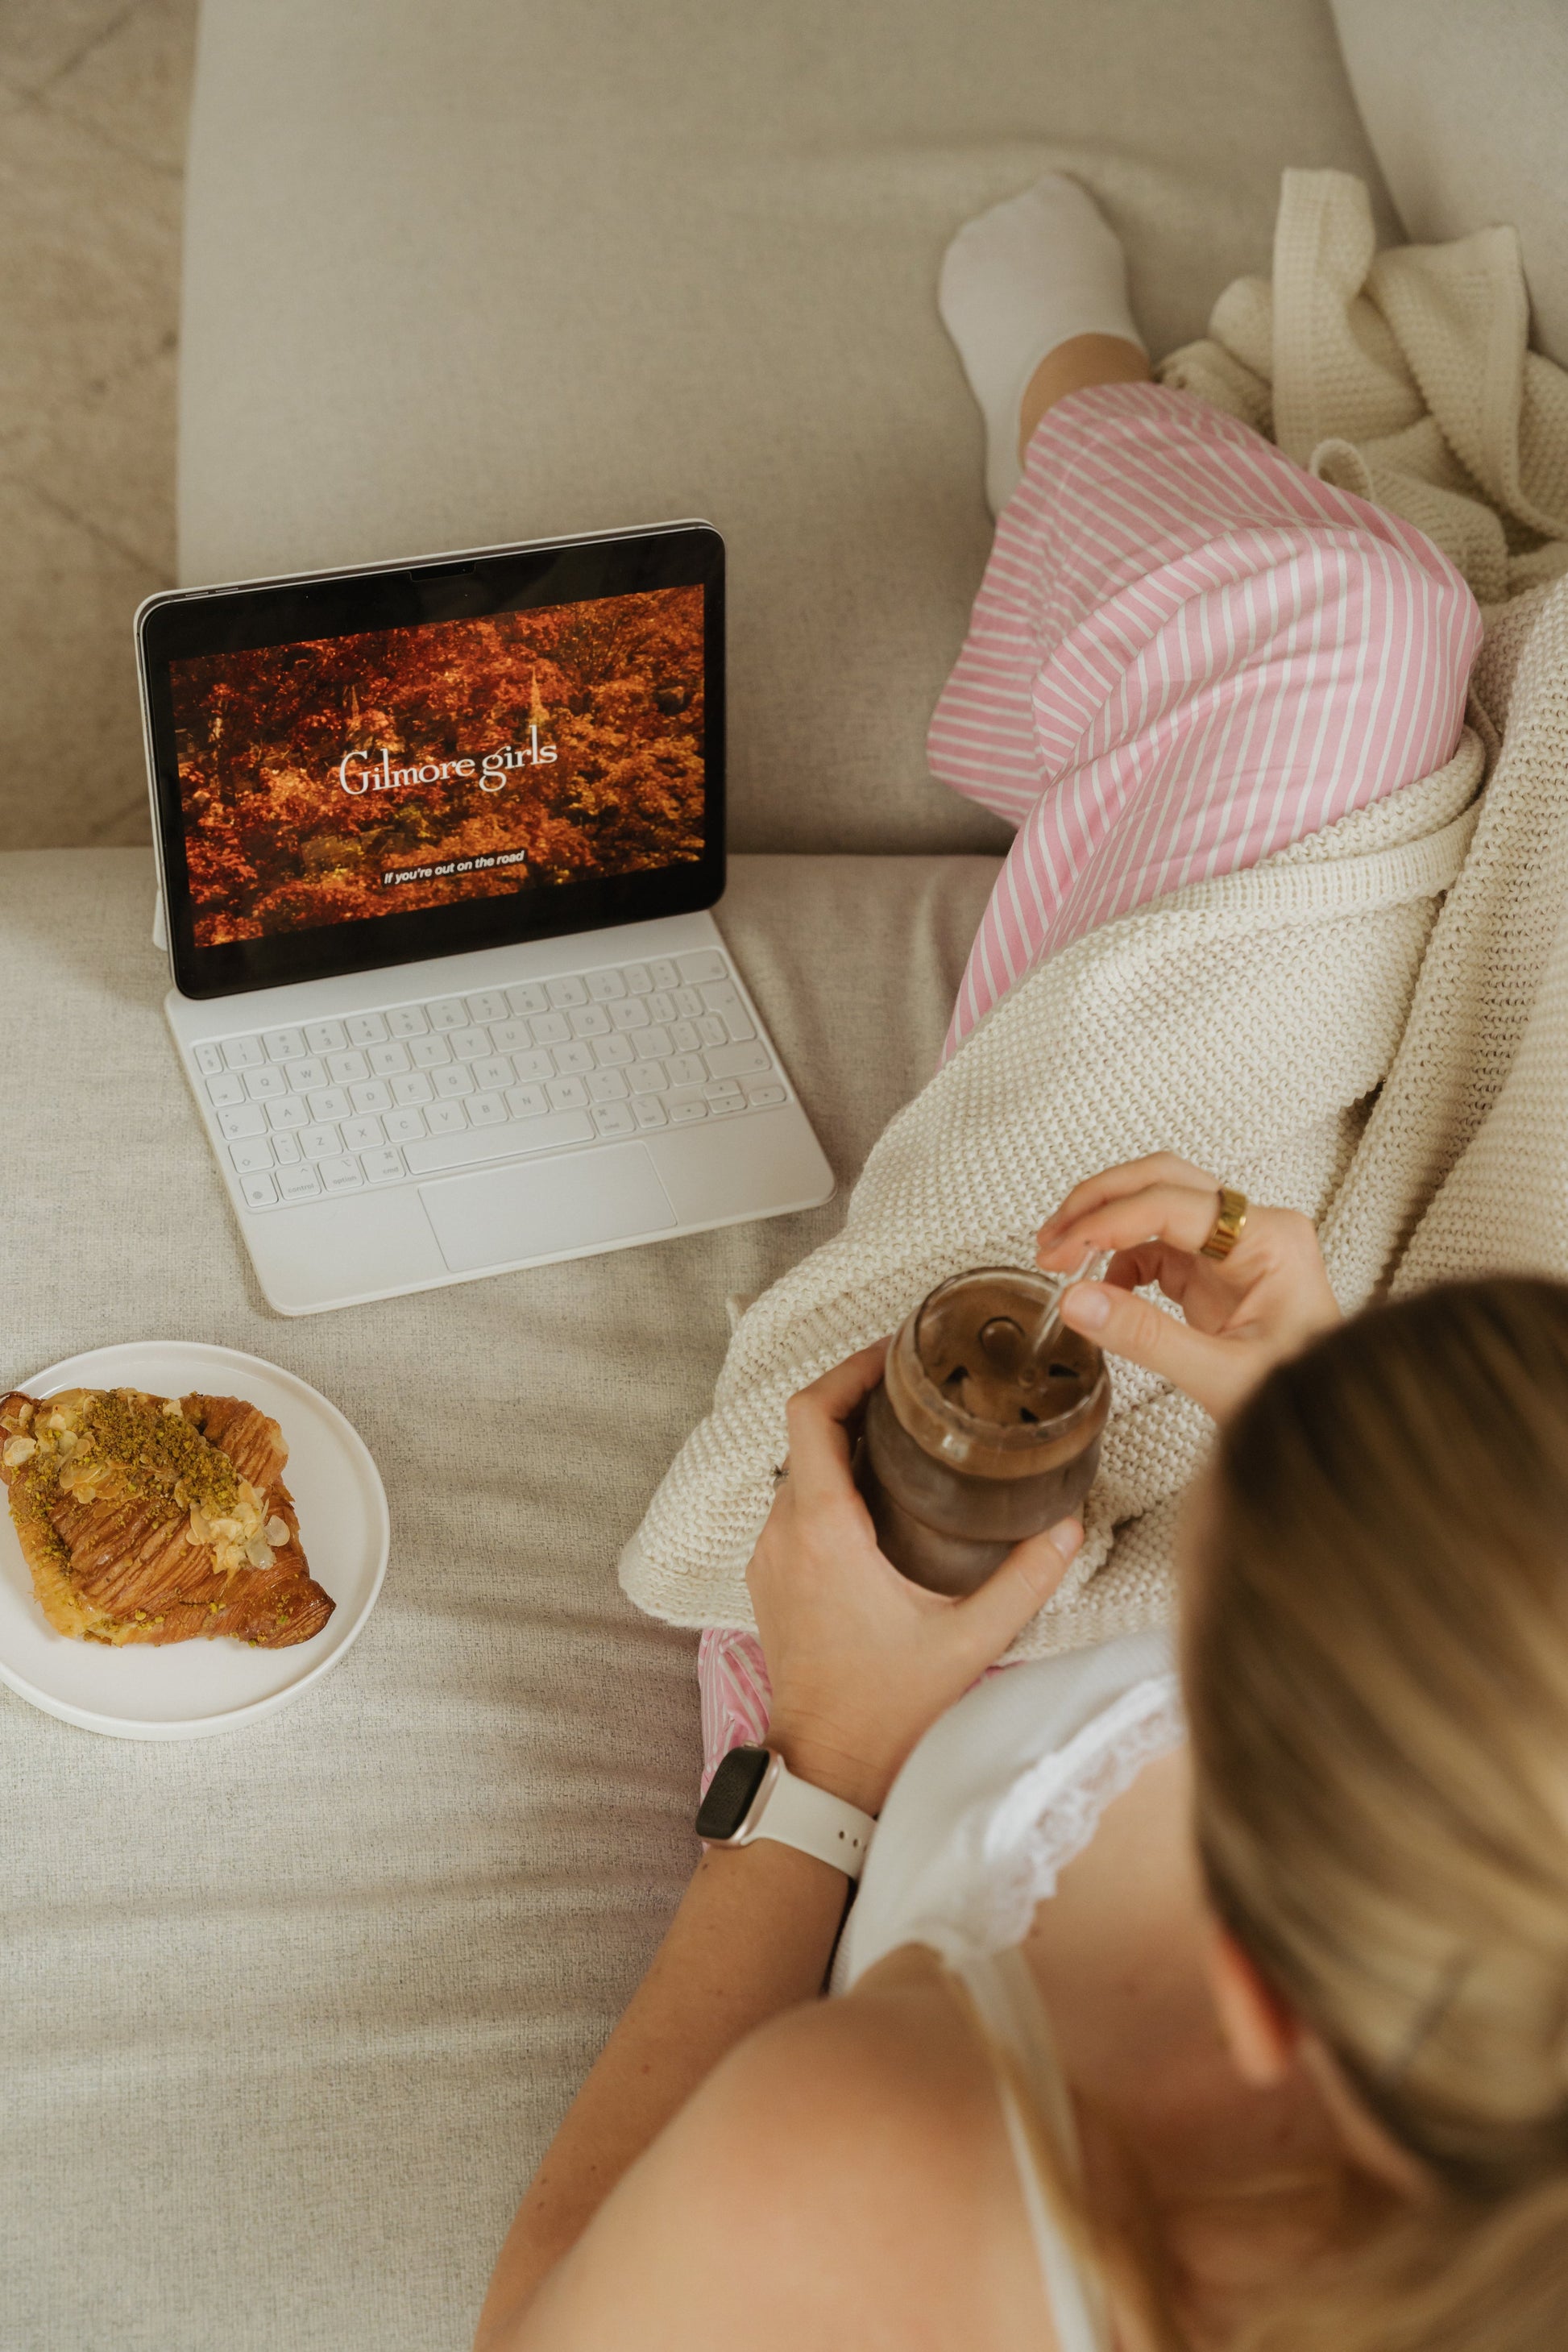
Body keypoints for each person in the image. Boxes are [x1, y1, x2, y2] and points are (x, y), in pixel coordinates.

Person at [475, 1153, 1568, 2350]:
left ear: (1251, 1995)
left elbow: (534, 2321)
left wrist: (823, 1763)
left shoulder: (858, 2175)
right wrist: (1350, 1451)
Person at [698, 172, 1483, 1774]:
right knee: (1398, 636)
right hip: (1403, 1544)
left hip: (933, 1682)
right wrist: (1317, 1434)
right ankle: (1076, 504)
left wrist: (830, 1764)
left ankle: (1079, 425)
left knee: (1349, 615)